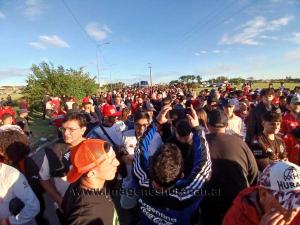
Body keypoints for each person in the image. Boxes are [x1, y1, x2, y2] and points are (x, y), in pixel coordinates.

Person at [133, 104, 211, 225]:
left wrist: (156, 123)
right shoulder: (187, 194)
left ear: (151, 166)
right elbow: (204, 164)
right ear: (181, 175)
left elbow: (139, 148)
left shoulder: (141, 180)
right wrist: (197, 129)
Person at [200, 109, 258, 225]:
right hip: (236, 199)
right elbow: (254, 173)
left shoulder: (199, 143)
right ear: (226, 125)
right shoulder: (239, 142)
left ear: (207, 125)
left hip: (209, 199)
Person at [39, 112, 86, 224]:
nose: (66, 133)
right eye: (63, 129)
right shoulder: (53, 150)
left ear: (83, 129)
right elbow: (43, 179)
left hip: (91, 205)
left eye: (71, 129)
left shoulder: (94, 147)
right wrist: (59, 200)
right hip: (65, 207)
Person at [222, 161, 300, 225]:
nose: (295, 209)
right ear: (263, 194)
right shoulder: (237, 217)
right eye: (288, 202)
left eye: (297, 200)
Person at [62, 139, 120, 225]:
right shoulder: (86, 215)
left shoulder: (93, 184)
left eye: (115, 158)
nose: (117, 163)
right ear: (92, 173)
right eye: (111, 161)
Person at [0, 129, 47, 225]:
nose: (1, 153)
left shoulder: (27, 163)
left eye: (2, 149)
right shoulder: (12, 162)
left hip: (30, 205)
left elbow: (38, 188)